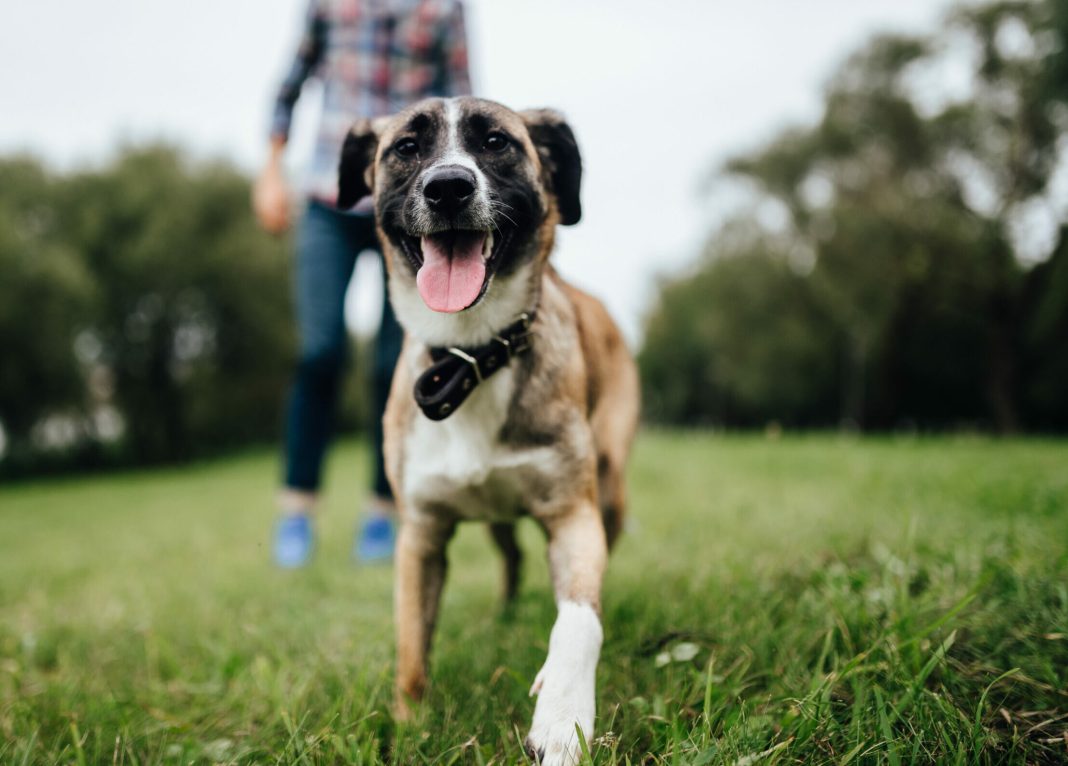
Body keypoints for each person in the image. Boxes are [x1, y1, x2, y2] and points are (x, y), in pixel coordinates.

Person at [253, 0, 472, 567]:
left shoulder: (444, 8)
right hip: (330, 195)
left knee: (392, 364)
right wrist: (271, 172)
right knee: (318, 352)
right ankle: (296, 511)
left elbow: (462, 97)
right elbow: (290, 84)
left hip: (409, 202)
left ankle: (381, 511)